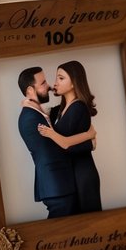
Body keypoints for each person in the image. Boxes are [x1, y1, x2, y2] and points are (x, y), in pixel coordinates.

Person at [37, 60, 102, 213]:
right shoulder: (59, 110)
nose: (55, 83)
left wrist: (88, 141)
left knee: (89, 225)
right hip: (70, 175)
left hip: (82, 176)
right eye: (56, 78)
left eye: (61, 78)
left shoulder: (78, 107)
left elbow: (64, 147)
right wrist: (89, 139)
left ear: (74, 83)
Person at [16, 66, 78, 219]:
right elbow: (55, 147)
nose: (49, 86)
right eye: (43, 83)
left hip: (58, 182)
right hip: (56, 184)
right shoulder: (30, 118)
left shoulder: (37, 112)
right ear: (30, 90)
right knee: (59, 234)